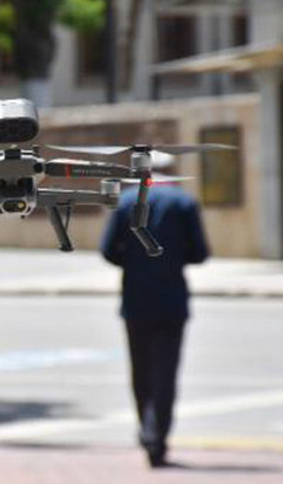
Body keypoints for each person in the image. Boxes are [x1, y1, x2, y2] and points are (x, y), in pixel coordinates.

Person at [99, 155, 209, 469]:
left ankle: (146, 429)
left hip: (135, 299)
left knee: (141, 370)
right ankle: (157, 436)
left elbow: (108, 250)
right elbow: (200, 253)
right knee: (166, 372)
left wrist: (135, 265)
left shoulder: (126, 202)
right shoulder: (184, 203)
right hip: (172, 300)